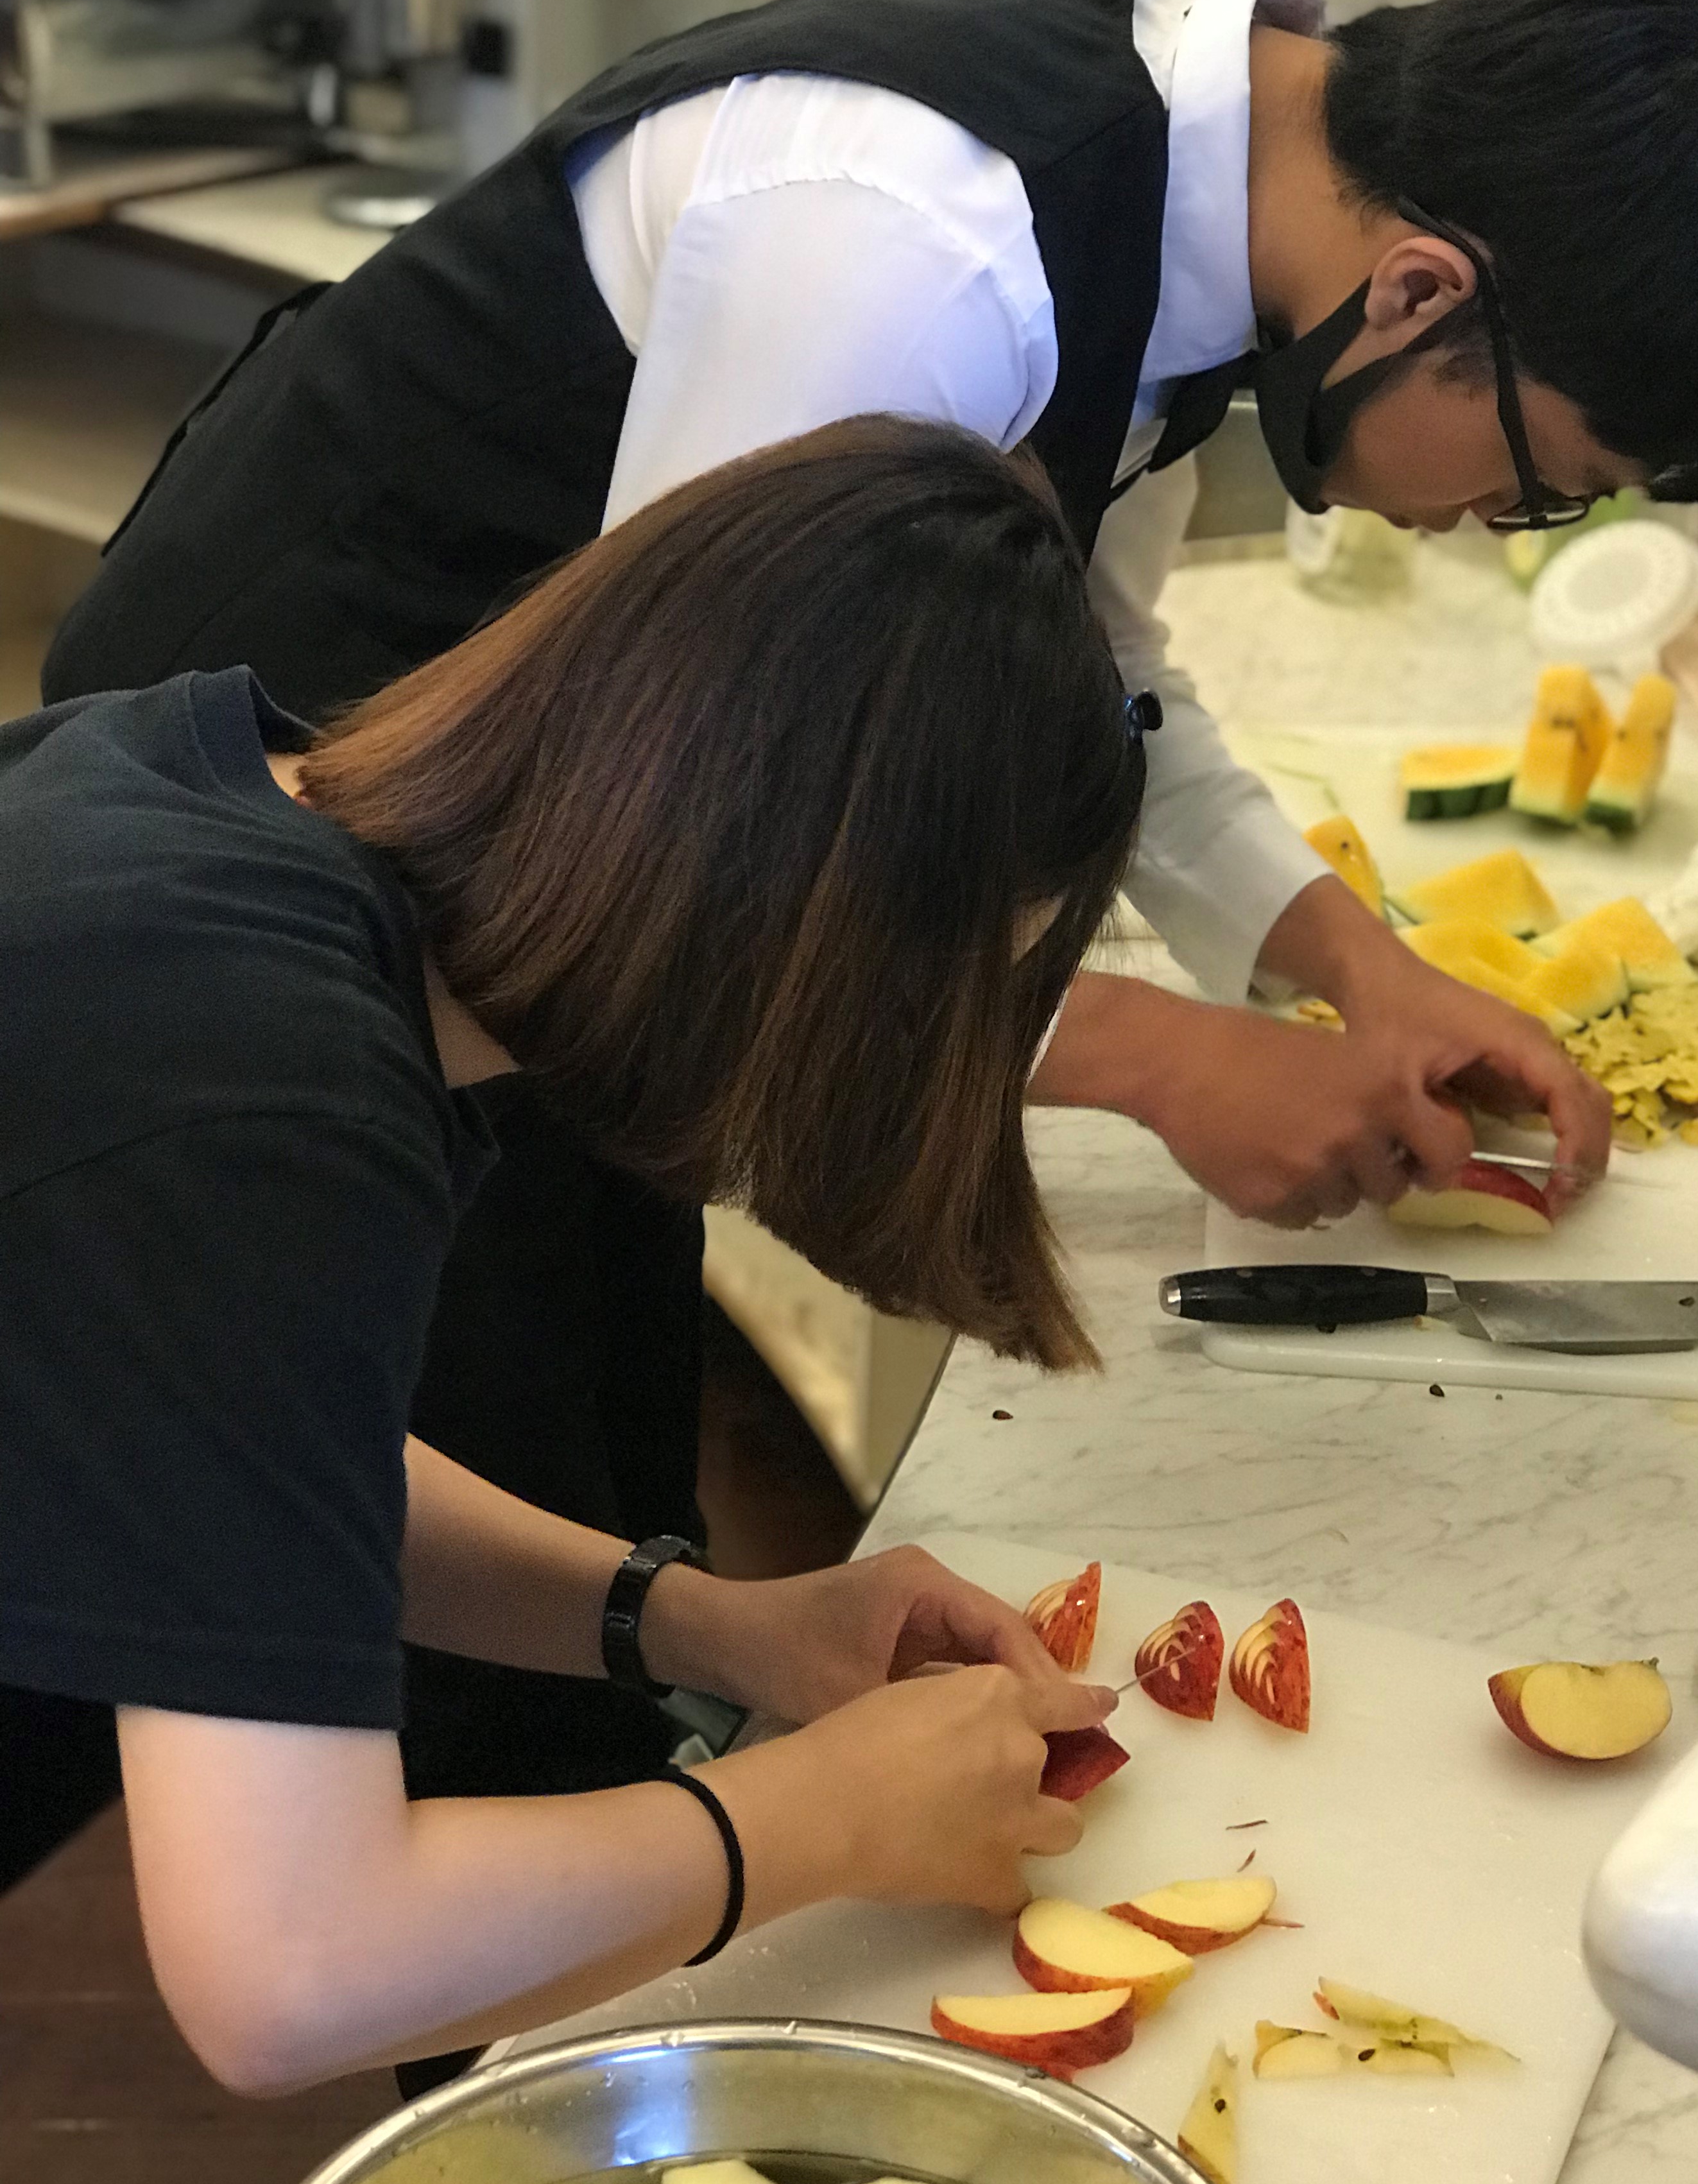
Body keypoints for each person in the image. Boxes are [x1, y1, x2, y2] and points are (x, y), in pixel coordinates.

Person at [33, 0, 1698, 1843]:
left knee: (585, 1461)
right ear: (1426, 289)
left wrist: (1347, 965)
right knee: (411, 1544)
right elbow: (725, 858)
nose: (1491, 527)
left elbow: (1101, 662)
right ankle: (504, 1997)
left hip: (528, 886)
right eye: (1541, 479)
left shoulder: (1241, 185)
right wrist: (1165, 1059)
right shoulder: (905, 251)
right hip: (309, 842)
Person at [0, 420, 1136, 2090]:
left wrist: (708, 1626)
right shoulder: (275, 1099)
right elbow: (291, 1970)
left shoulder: (209, 818)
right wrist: (821, 1817)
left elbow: (261, 1460)